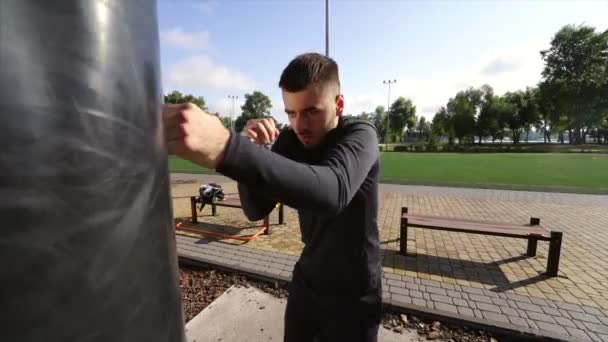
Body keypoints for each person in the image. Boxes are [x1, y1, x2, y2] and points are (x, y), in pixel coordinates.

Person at [163, 52, 382, 342]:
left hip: (354, 294)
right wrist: (251, 146)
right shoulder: (292, 139)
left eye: (311, 111)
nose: (299, 124)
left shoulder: (360, 136)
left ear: (338, 104)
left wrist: (227, 148)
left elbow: (332, 191)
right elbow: (256, 208)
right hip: (308, 281)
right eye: (291, 113)